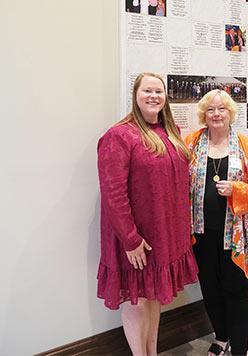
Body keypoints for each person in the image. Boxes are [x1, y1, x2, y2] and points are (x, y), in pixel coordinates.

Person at [97, 72, 198, 356]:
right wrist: (130, 239)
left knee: (153, 298)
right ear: (135, 96)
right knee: (137, 302)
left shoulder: (171, 132)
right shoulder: (119, 136)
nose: (153, 96)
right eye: (147, 91)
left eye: (159, 91)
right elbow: (113, 193)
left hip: (163, 235)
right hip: (136, 240)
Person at [184, 90, 248, 356]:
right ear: (204, 114)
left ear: (230, 112)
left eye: (222, 109)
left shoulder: (244, 145)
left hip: (236, 236)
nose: (216, 114)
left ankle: (240, 349)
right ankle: (221, 337)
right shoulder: (190, 143)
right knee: (210, 289)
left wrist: (236, 189)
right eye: (211, 109)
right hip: (201, 235)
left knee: (239, 290)